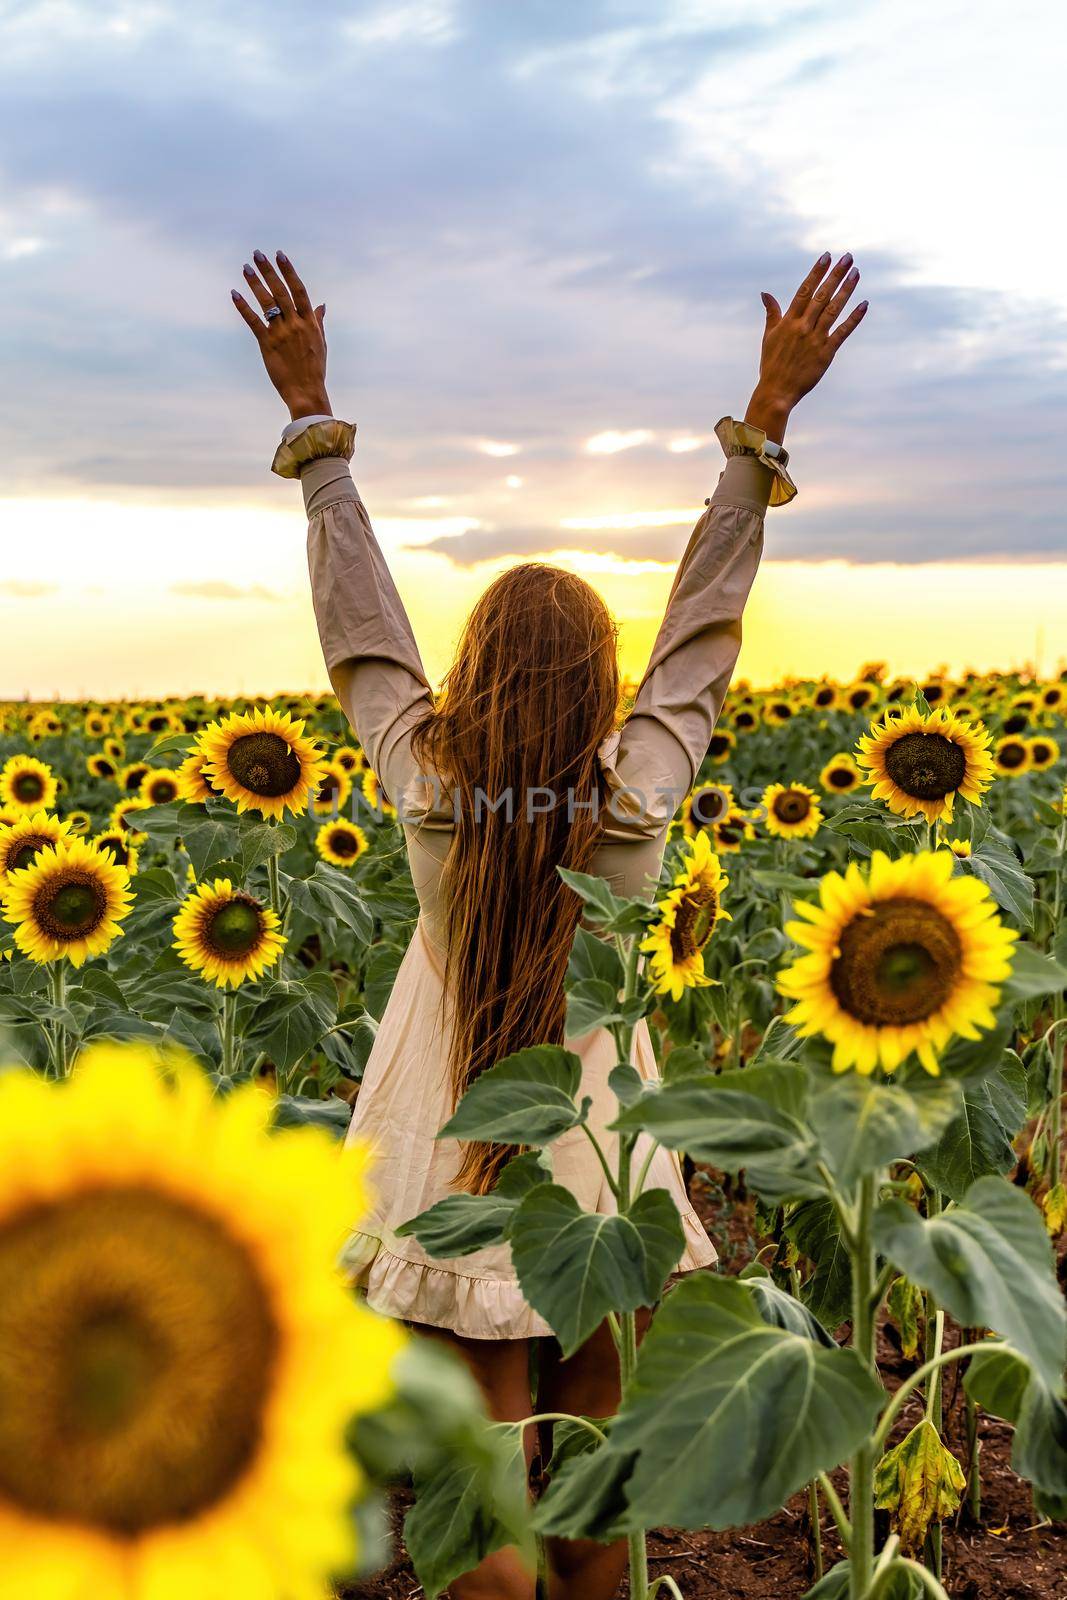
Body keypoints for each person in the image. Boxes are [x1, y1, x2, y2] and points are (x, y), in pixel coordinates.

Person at [233, 248, 867, 1599]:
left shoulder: (430, 785)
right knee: (594, 1505)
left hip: (460, 1174)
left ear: (475, 671)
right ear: (602, 687)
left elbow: (365, 639)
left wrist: (317, 433)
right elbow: (701, 638)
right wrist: (765, 427)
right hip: (604, 1176)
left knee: (477, 1505)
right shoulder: (632, 803)